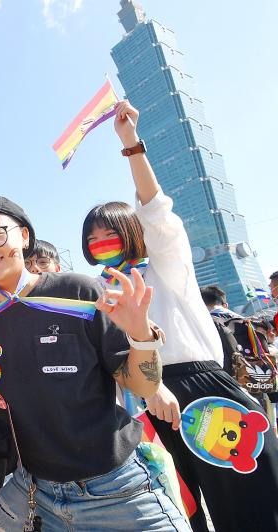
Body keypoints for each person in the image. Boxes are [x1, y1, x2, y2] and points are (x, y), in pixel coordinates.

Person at [81, 100, 278, 532]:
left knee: (248, 506)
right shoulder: (100, 292)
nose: (100, 243)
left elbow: (156, 212)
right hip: (139, 403)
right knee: (175, 510)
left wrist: (131, 145)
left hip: (201, 392)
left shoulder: (165, 265)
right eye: (91, 239)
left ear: (131, 233)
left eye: (109, 233)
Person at [0, 195, 188, 531]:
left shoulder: (77, 291)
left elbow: (141, 385)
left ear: (23, 236)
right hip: (37, 489)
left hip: (118, 486)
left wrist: (140, 337)